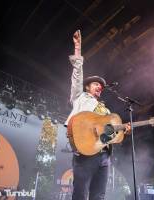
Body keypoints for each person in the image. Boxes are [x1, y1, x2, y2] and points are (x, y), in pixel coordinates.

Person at [64, 30, 130, 200]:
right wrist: (77, 48)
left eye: (101, 86)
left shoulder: (106, 112)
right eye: (95, 84)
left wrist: (123, 130)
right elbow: (77, 76)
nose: (99, 87)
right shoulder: (79, 97)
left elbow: (108, 135)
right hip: (85, 152)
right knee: (80, 193)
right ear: (87, 87)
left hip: (104, 156)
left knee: (99, 195)